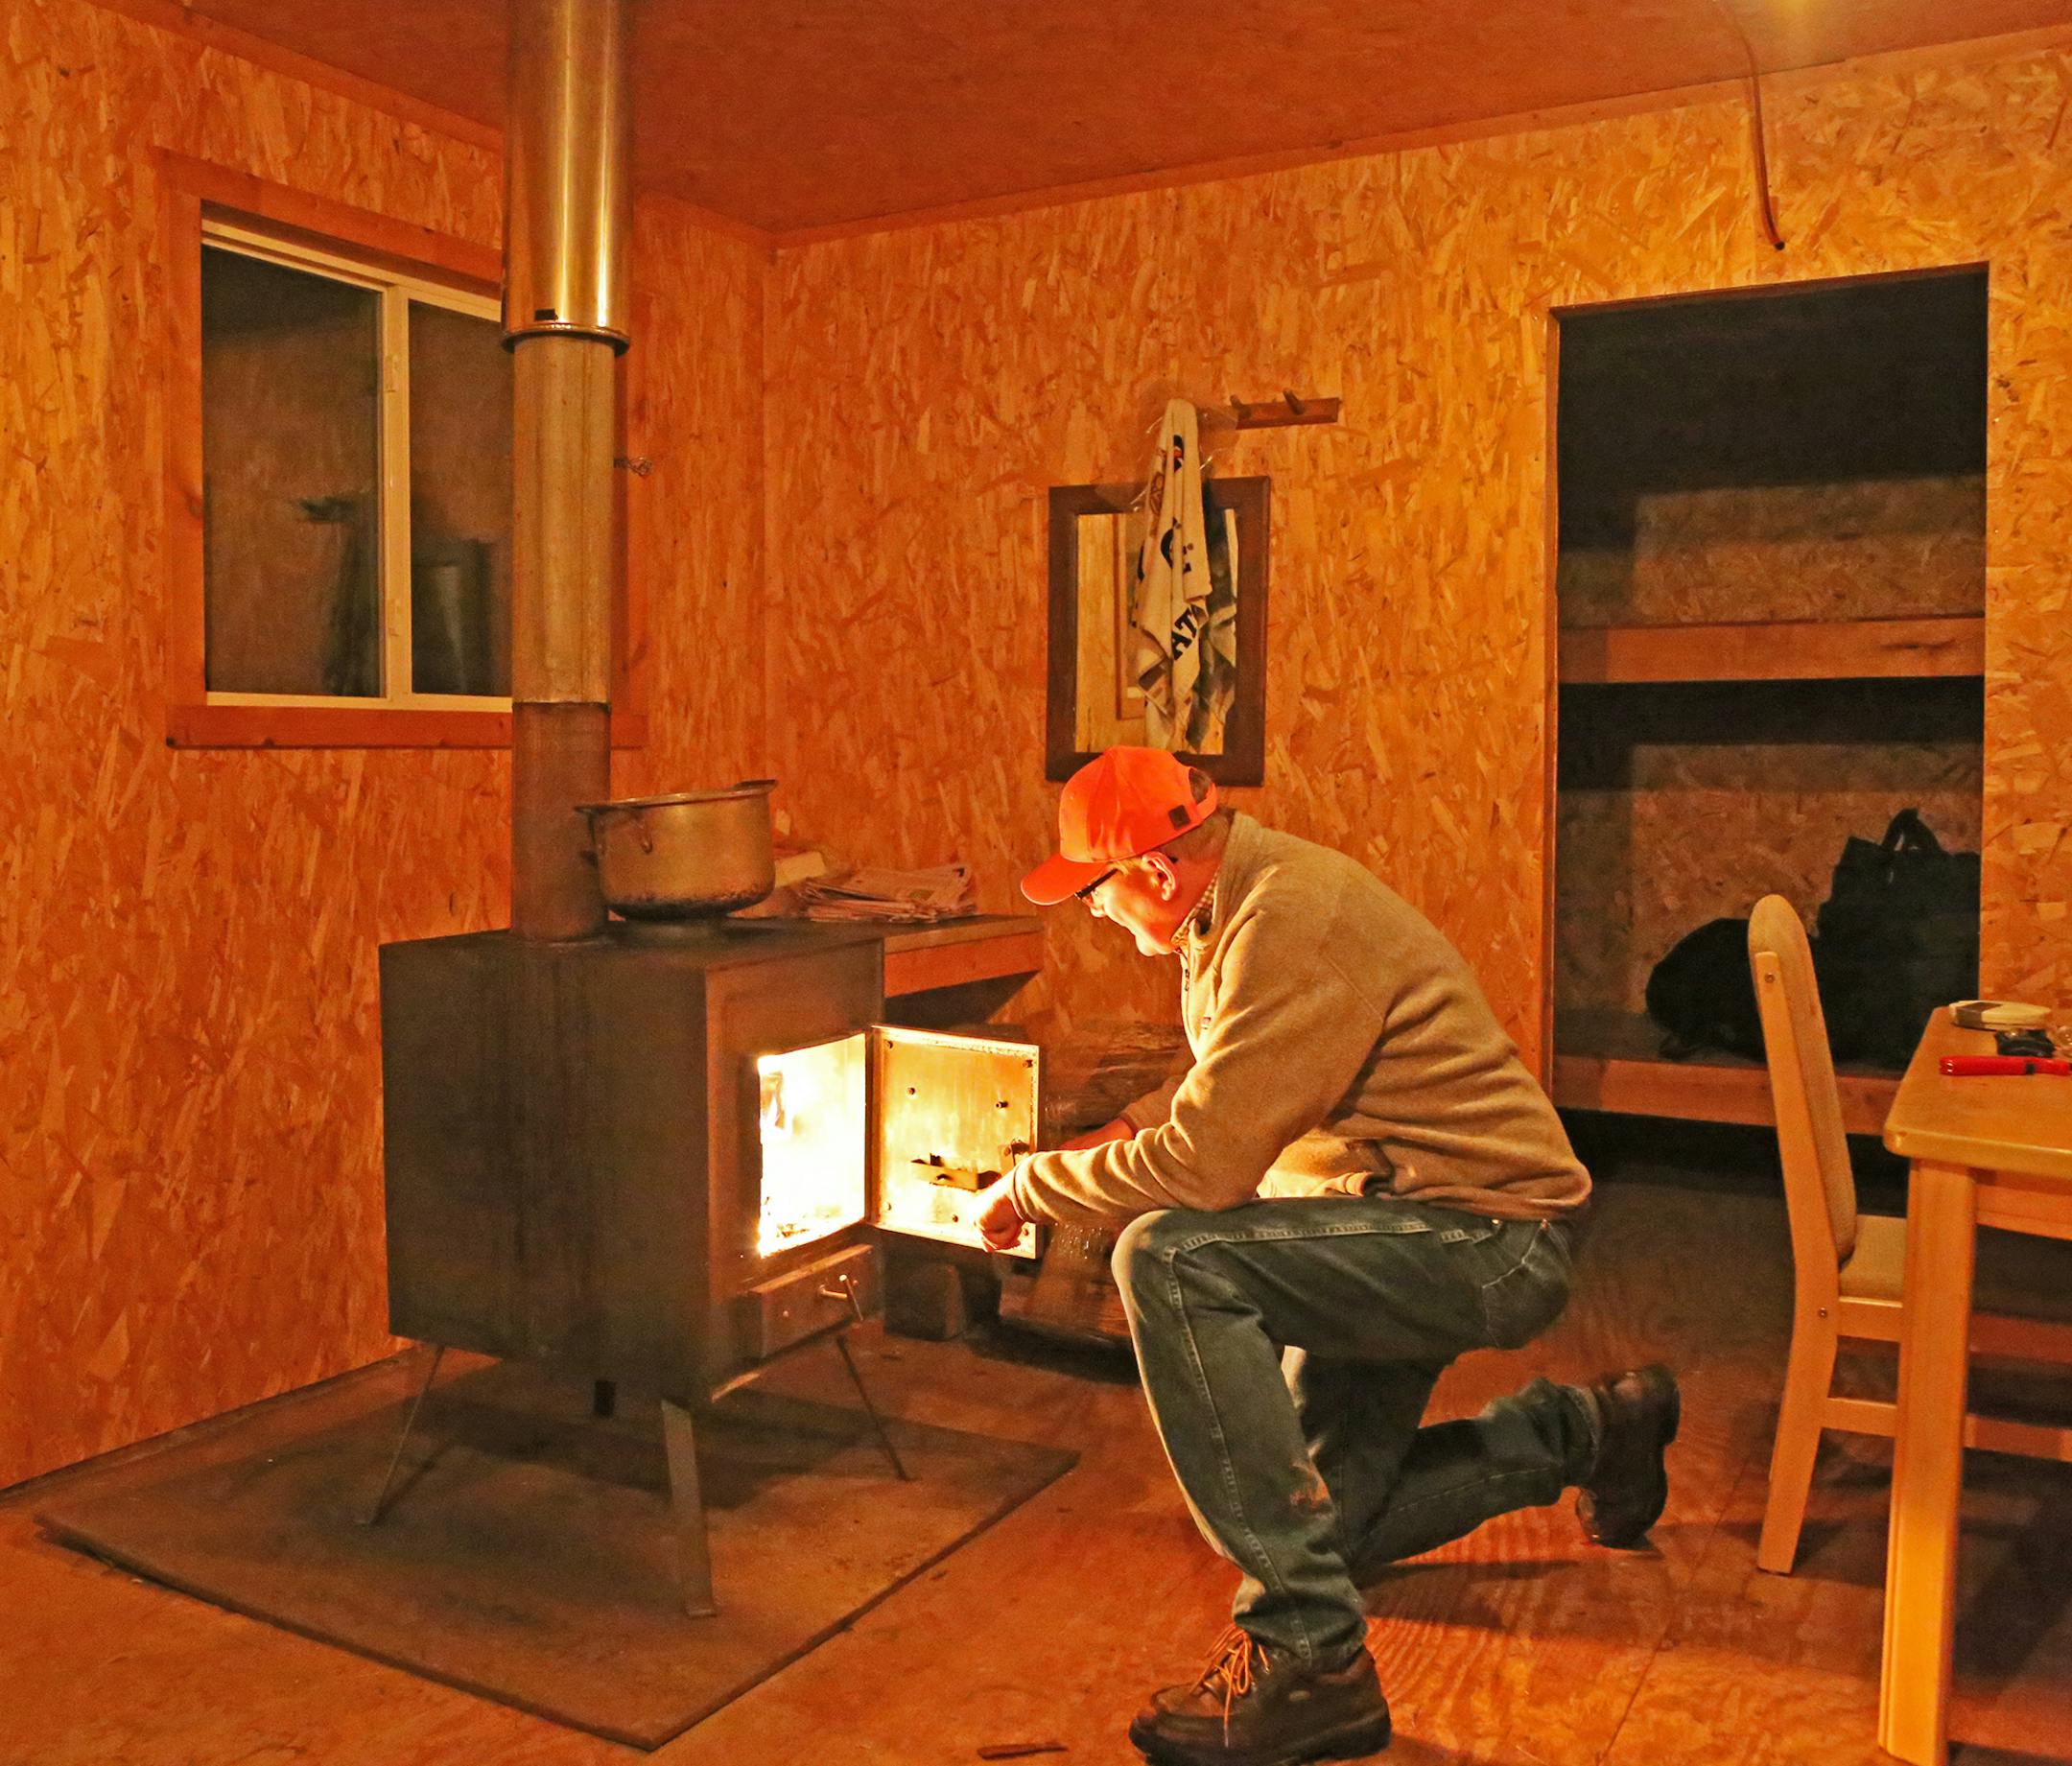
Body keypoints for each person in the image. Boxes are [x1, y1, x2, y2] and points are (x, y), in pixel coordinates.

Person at [974, 747, 1679, 1766]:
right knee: (1321, 1524)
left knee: (1170, 1258)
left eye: (1096, 888)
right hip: (1385, 1220)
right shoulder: (1233, 912)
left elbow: (1209, 1163)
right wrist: (1094, 1140)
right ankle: (1586, 1431)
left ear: (1159, 873)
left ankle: (1308, 1650)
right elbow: (1225, 1087)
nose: (1093, 911)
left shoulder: (1289, 916)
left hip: (1481, 1238)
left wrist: (1032, 1189)